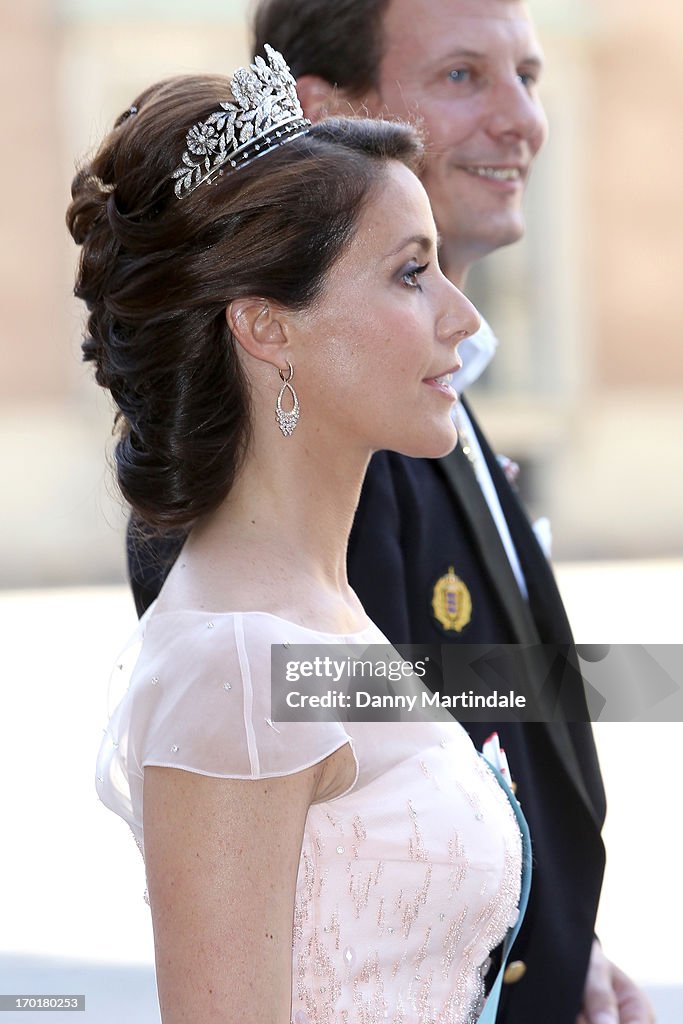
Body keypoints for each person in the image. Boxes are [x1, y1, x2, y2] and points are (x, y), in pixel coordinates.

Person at [123, 4, 654, 1024]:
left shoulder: (401, 405)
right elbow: (319, 732)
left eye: (529, 75)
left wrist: (556, 933)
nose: (520, 120)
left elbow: (431, 753)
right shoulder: (286, 493)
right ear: (324, 109)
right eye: (462, 75)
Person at [72, 46, 536, 1024]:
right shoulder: (239, 664)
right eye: (411, 274)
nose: (460, 317)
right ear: (266, 329)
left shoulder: (316, 606)